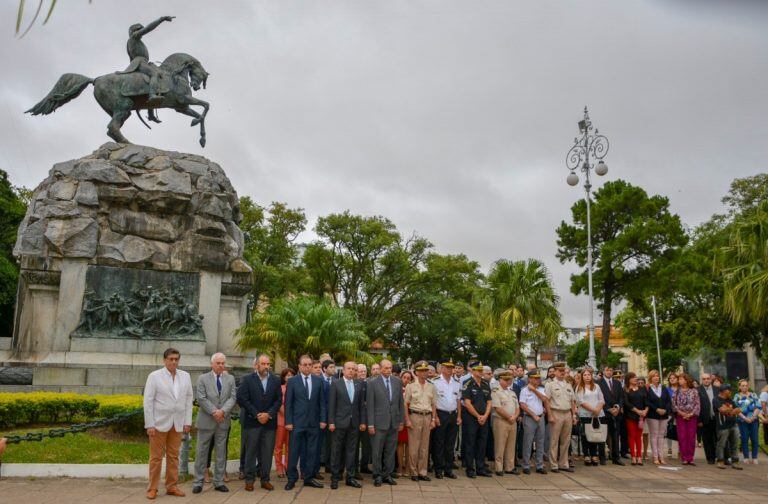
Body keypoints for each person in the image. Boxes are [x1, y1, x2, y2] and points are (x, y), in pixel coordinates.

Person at [143, 348, 193, 500]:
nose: (174, 362)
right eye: (171, 359)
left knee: (173, 456)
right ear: (164, 360)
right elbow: (148, 401)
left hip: (177, 423)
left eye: (176, 359)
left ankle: (172, 486)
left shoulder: (185, 376)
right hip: (158, 423)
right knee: (156, 458)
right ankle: (152, 488)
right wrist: (150, 424)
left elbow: (188, 399)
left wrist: (187, 421)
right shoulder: (154, 376)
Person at [237, 354, 282, 491]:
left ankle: (265, 480)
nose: (266, 367)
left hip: (269, 423)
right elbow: (242, 399)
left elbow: (278, 400)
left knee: (267, 453)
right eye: (263, 364)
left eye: (268, 364)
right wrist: (257, 414)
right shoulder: (247, 379)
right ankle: (249, 480)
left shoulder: (275, 380)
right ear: (256, 365)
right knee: (250, 452)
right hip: (252, 422)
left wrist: (268, 414)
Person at [192, 353, 236, 494]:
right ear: (212, 364)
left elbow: (233, 397)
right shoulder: (202, 378)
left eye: (223, 363)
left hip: (223, 421)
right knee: (201, 452)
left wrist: (222, 411)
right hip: (206, 421)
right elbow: (201, 397)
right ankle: (198, 482)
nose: (221, 365)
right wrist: (214, 412)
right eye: (218, 363)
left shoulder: (230, 379)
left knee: (221, 452)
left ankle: (218, 481)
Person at [284, 355, 327, 490]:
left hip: (314, 423)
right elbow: (288, 404)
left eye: (309, 364)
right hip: (297, 423)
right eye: (305, 364)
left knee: (311, 452)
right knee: (294, 452)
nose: (308, 367)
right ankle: (291, 478)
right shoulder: (292, 381)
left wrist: (323, 419)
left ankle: (308, 478)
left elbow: (322, 403)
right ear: (299, 366)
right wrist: (288, 421)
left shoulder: (318, 381)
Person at [328, 361, 366, 489]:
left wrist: (362, 422)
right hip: (338, 423)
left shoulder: (359, 384)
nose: (351, 371)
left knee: (352, 451)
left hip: (354, 423)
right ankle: (335, 478)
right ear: (343, 370)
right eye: (349, 368)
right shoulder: (336, 384)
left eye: (353, 369)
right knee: (336, 451)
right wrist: (331, 422)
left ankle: (350, 477)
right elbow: (331, 405)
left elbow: (361, 406)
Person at [366, 359, 404, 487]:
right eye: (386, 368)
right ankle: (377, 475)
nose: (389, 370)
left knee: (390, 450)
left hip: (393, 423)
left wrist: (400, 421)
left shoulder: (397, 382)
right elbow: (369, 405)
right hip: (378, 423)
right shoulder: (372, 383)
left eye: (390, 368)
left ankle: (387, 474)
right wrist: (370, 424)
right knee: (377, 451)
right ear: (381, 369)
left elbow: (400, 403)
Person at [404, 361, 437, 481]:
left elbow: (433, 404)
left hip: (427, 416)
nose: (424, 373)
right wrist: (407, 419)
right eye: (422, 370)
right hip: (415, 416)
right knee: (414, 446)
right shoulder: (410, 386)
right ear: (416, 372)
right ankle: (413, 472)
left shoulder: (432, 386)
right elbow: (405, 404)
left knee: (424, 446)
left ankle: (422, 472)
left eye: (426, 370)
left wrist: (433, 419)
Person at [462, 362, 493, 478]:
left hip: (484, 418)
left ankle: (480, 468)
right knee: (470, 443)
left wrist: (485, 415)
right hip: (471, 418)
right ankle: (470, 468)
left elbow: (489, 402)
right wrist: (478, 416)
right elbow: (467, 403)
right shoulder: (468, 383)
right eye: (478, 370)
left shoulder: (485, 384)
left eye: (481, 370)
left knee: (482, 443)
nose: (481, 372)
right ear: (473, 371)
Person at [544, 362, 577, 473]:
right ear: (555, 372)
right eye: (560, 371)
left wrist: (574, 415)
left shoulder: (568, 384)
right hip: (556, 412)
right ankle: (553, 464)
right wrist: (550, 415)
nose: (562, 373)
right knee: (554, 440)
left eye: (564, 371)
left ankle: (563, 463)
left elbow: (572, 401)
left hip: (567, 413)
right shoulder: (550, 385)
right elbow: (547, 401)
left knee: (566, 440)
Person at [432, 359, 461, 479]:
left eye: (451, 367)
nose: (449, 370)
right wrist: (435, 417)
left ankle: (448, 469)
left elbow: (458, 400)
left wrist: (459, 416)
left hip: (453, 414)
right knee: (439, 443)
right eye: (447, 367)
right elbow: (433, 402)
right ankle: (438, 469)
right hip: (441, 414)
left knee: (450, 443)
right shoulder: (436, 382)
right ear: (442, 368)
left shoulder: (456, 382)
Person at [519, 369, 548, 475]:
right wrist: (533, 415)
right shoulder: (524, 390)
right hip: (530, 418)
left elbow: (545, 399)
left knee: (541, 441)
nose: (538, 380)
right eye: (535, 378)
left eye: (538, 378)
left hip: (541, 417)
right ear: (530, 379)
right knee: (528, 442)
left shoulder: (541, 389)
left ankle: (539, 465)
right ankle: (526, 465)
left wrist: (535, 390)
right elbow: (523, 405)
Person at [491, 370, 519, 476]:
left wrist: (515, 417)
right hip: (501, 421)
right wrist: (509, 417)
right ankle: (499, 467)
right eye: (506, 379)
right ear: (500, 379)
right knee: (500, 444)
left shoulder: (512, 392)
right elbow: (498, 408)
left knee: (511, 445)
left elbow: (517, 408)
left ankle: (509, 467)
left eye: (509, 380)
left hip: (512, 421)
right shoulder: (495, 391)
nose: (508, 382)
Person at [576, 368, 606, 467]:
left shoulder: (596, 386)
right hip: (586, 414)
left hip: (597, 415)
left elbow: (601, 399)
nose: (587, 376)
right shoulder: (580, 387)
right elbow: (581, 401)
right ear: (582, 376)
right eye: (585, 375)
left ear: (591, 376)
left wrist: (597, 409)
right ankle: (586, 455)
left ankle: (594, 454)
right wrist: (593, 410)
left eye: (589, 374)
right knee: (585, 435)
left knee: (595, 434)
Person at [597, 366, 624, 466]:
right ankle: (602, 457)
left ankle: (616, 457)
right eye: (607, 370)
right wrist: (608, 408)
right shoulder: (598, 383)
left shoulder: (617, 383)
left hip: (616, 413)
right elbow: (599, 398)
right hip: (604, 412)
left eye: (611, 370)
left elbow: (621, 397)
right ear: (603, 371)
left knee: (615, 436)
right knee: (602, 436)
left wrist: (617, 407)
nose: (609, 372)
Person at [713, 384, 744, 470]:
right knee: (721, 444)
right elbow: (721, 410)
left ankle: (735, 462)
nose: (730, 392)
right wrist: (730, 410)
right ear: (723, 391)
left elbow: (738, 410)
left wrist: (728, 410)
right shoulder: (716, 400)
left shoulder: (730, 400)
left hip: (733, 425)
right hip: (723, 426)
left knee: (734, 444)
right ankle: (720, 461)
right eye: (728, 390)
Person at [673, 373, 700, 465]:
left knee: (691, 437)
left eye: (681, 379)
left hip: (692, 417)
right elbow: (674, 404)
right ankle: (684, 458)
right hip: (680, 417)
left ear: (686, 380)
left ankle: (690, 458)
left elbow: (697, 404)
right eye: (679, 379)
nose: (679, 381)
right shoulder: (677, 391)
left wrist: (691, 414)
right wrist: (681, 413)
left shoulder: (694, 391)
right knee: (682, 437)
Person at [645, 370, 672, 465]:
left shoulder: (663, 387)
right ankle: (655, 456)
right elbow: (647, 401)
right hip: (653, 415)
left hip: (664, 415)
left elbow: (669, 401)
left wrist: (665, 410)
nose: (656, 378)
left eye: (657, 376)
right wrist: (656, 409)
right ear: (650, 378)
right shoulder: (648, 388)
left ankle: (661, 456)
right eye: (654, 376)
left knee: (661, 436)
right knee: (654, 435)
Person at [733, 379, 762, 464]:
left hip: (754, 420)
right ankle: (746, 457)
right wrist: (745, 418)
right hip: (742, 421)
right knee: (744, 439)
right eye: (742, 385)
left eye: (746, 385)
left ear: (748, 386)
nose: (744, 387)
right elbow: (736, 409)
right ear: (739, 387)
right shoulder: (737, 396)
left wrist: (753, 417)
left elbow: (758, 407)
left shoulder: (753, 395)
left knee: (755, 439)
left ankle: (755, 457)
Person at [623, 372, 648, 466]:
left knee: (639, 436)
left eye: (636, 377)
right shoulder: (626, 390)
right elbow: (626, 403)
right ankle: (633, 457)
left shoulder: (642, 389)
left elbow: (646, 401)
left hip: (641, 416)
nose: (635, 379)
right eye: (633, 377)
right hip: (630, 416)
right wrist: (637, 411)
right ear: (628, 379)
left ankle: (639, 457)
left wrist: (645, 411)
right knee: (632, 436)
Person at [274, 368, 294, 479]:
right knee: (278, 446)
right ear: (283, 377)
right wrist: (288, 417)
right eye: (287, 375)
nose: (289, 377)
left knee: (289, 446)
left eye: (291, 375)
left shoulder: (296, 387)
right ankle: (279, 468)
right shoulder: (281, 389)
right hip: (281, 421)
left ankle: (287, 466)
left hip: (292, 422)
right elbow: (279, 404)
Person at [318, 359, 336, 476]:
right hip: (320, 417)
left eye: (334, 367)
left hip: (333, 417)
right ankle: (318, 465)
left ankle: (329, 466)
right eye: (331, 367)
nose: (333, 370)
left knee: (331, 442)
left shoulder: (336, 381)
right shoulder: (318, 380)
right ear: (324, 369)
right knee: (320, 442)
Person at [697, 373, 719, 464]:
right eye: (704, 379)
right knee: (707, 440)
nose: (706, 380)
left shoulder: (717, 389)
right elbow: (697, 406)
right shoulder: (697, 390)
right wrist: (699, 420)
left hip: (716, 418)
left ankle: (720, 457)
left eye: (707, 378)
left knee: (718, 438)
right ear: (701, 380)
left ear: (711, 379)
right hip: (704, 419)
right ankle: (710, 458)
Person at [356, 363, 373, 476]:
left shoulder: (370, 384)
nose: (362, 373)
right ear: (356, 372)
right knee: (355, 445)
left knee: (367, 445)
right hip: (355, 419)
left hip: (367, 419)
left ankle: (364, 466)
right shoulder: (353, 384)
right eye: (360, 371)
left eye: (364, 371)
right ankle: (353, 468)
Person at [397, 370, 413, 477]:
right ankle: (399, 467)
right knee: (400, 444)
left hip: (411, 418)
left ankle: (407, 467)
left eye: (409, 378)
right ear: (401, 378)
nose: (406, 380)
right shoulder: (397, 389)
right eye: (404, 377)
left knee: (409, 444)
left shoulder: (413, 389)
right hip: (400, 419)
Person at [666, 372, 680, 459]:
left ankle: (679, 450)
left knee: (679, 431)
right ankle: (669, 449)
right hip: (670, 413)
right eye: (670, 378)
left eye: (674, 378)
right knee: (669, 431)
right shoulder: (667, 389)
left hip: (679, 413)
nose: (672, 379)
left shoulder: (681, 389)